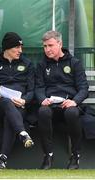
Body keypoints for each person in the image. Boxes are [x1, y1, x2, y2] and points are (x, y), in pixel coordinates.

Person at [0, 32, 35, 170]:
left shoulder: (27, 64)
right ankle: (23, 133)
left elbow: (32, 90)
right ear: (7, 48)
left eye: (21, 47)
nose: (20, 51)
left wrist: (24, 101)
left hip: (19, 106)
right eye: (17, 47)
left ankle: (2, 158)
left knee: (10, 116)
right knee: (6, 101)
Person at [35, 30, 89, 170]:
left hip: (68, 104)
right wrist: (42, 99)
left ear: (60, 44)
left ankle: (75, 155)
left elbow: (83, 88)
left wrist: (74, 101)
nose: (47, 49)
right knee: (42, 111)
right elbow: (39, 87)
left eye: (50, 45)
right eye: (45, 46)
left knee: (72, 112)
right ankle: (48, 155)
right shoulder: (42, 65)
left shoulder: (74, 63)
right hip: (51, 105)